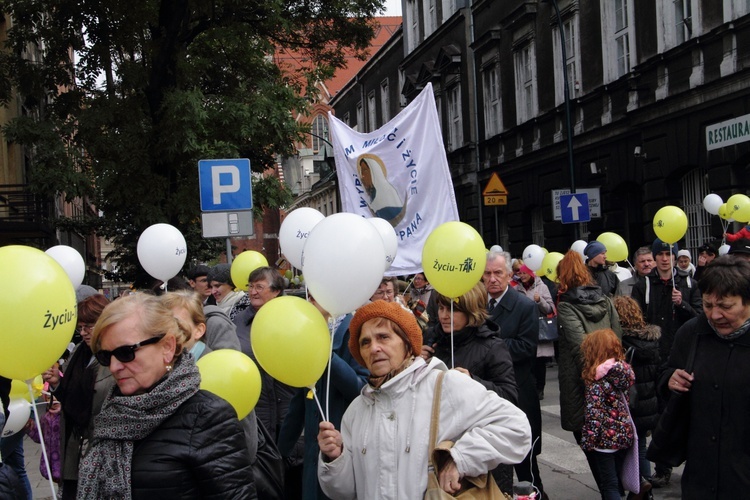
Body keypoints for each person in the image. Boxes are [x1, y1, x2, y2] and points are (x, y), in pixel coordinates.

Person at [316, 301, 532, 499]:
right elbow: (343, 492)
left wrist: (460, 458)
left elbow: (517, 428)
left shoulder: (445, 385)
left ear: (408, 344)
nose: (374, 348)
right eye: (365, 342)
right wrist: (335, 459)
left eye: (384, 337)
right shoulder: (357, 411)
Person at [78, 293, 254, 499]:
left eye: (126, 352)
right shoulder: (112, 413)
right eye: (106, 356)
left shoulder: (207, 417)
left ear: (167, 347)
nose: (115, 367)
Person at [659, 256, 750, 499]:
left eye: (726, 307)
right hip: (700, 476)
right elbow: (666, 374)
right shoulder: (692, 332)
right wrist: (670, 380)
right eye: (708, 305)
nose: (715, 315)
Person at [421, 282, 519, 495]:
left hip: (481, 453)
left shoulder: (492, 347)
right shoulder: (433, 341)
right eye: (441, 308)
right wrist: (415, 364)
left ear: (471, 311)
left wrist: (473, 381)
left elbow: (510, 397)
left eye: (453, 309)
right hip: (439, 449)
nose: (444, 315)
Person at [277, 294, 369, 500]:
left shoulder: (354, 331)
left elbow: (359, 388)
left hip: (342, 448)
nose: (310, 302)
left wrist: (327, 354)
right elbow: (302, 396)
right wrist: (281, 450)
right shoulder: (311, 332)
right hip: (313, 449)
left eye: (315, 297)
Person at [232, 266, 303, 495]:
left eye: (259, 287)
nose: (252, 292)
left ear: (276, 291)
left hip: (290, 413)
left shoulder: (294, 318)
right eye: (250, 286)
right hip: (258, 416)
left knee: (294, 482)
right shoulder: (239, 322)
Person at [555, 250, 623, 487]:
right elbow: (618, 337)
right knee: (612, 438)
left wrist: (595, 373)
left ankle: (612, 491)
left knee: (589, 441)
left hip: (581, 382)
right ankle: (620, 487)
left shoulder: (566, 307)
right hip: (612, 380)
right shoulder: (605, 301)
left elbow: (579, 347)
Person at [483, 250, 546, 497]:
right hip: (485, 395)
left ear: (510, 275)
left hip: (518, 394)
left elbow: (527, 348)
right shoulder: (477, 304)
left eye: (498, 273)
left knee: (527, 469)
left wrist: (491, 347)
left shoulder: (525, 306)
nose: (492, 279)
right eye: (487, 274)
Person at [40, 294, 113, 500]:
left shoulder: (114, 355)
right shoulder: (81, 352)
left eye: (89, 326)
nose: (84, 333)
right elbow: (73, 395)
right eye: (80, 328)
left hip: (98, 447)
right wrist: (57, 384)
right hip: (75, 445)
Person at [579, 328, 637, 500]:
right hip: (623, 434)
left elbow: (593, 413)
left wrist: (588, 440)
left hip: (604, 439)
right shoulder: (623, 372)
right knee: (618, 481)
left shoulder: (597, 379)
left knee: (609, 484)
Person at [614, 295, 661, 497]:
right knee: (641, 446)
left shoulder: (622, 342)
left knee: (630, 450)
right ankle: (646, 487)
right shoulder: (650, 341)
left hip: (631, 403)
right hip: (648, 402)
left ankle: (639, 485)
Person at [516, 264, 556, 401]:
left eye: (524, 273)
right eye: (519, 273)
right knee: (528, 361)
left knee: (539, 363)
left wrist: (540, 301)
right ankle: (531, 388)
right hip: (523, 329)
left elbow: (550, 308)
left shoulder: (542, 287)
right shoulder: (516, 289)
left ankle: (540, 388)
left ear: (531, 273)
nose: (521, 276)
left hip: (539, 329)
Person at [357, 155, 407, 225]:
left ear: (373, 171)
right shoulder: (371, 195)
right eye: (361, 172)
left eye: (365, 170)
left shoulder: (387, 192)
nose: (362, 176)